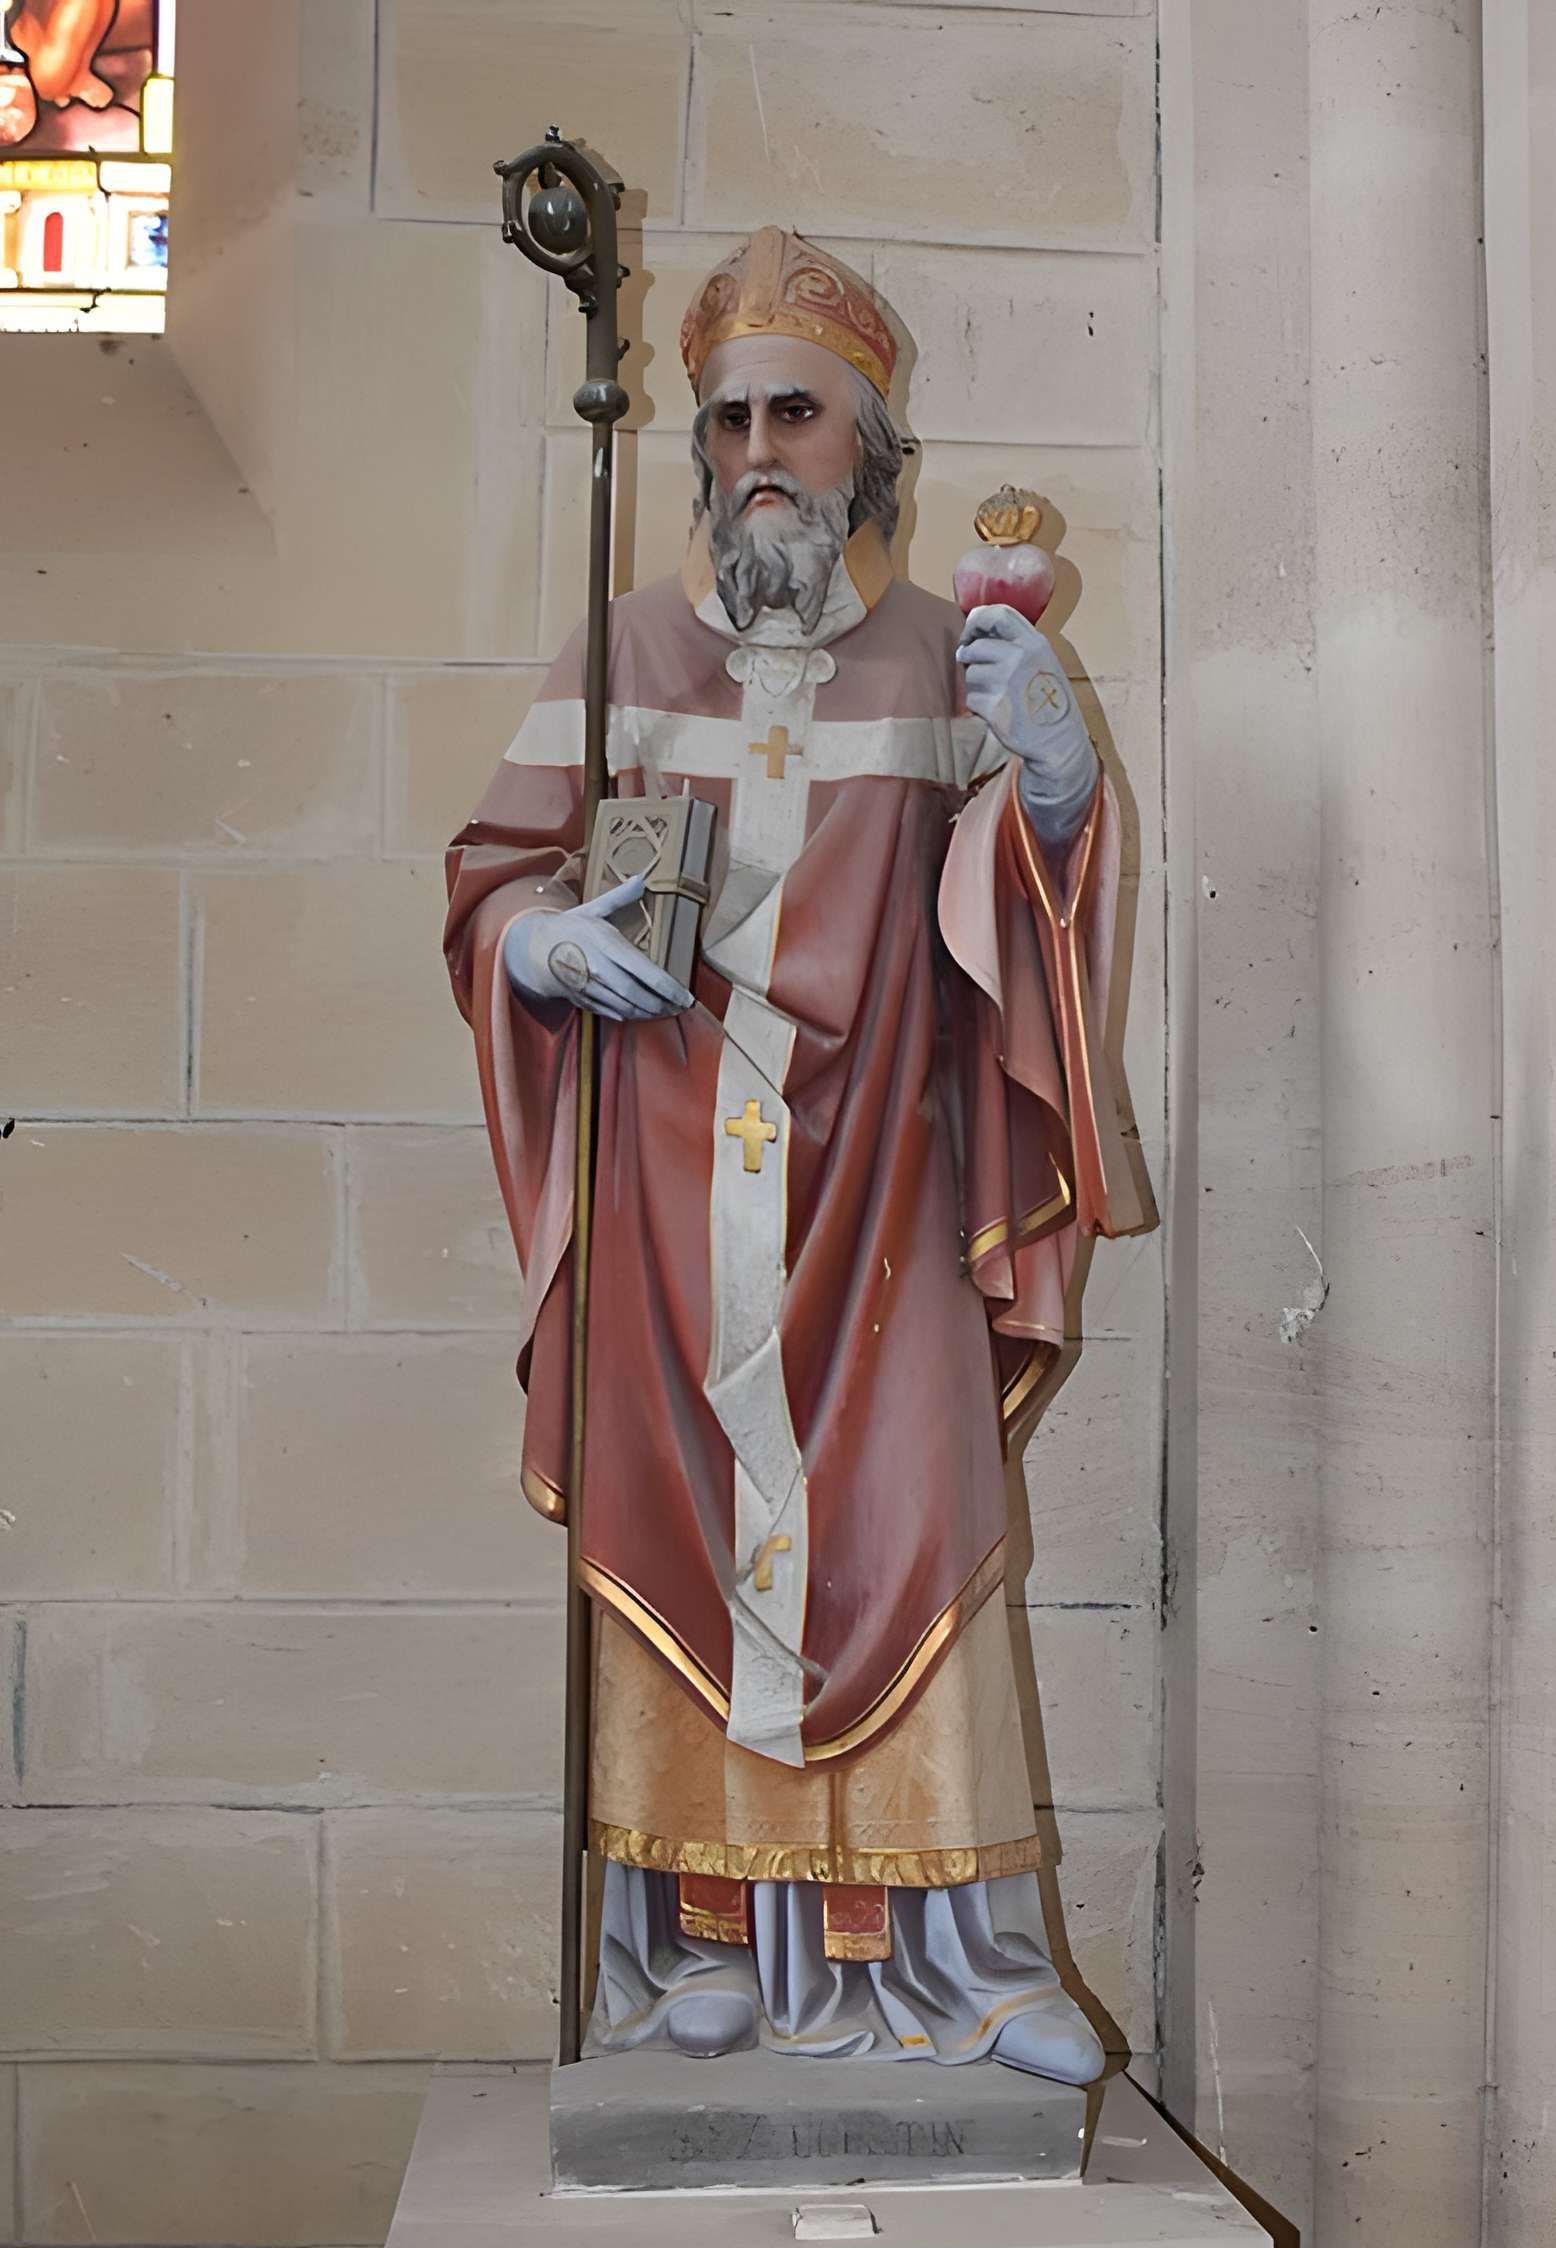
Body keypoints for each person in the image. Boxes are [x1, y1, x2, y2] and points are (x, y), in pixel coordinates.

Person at [445, 228, 1151, 2082]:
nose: (761, 447)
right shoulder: (628, 650)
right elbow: (492, 871)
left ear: (874, 449)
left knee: (918, 1538)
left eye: (801, 416)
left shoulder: (945, 653)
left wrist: (1060, 786)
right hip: (673, 1191)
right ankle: (697, 1937)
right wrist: (536, 941)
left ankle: (970, 1961)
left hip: (883, 1191)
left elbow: (1022, 916)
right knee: (681, 1525)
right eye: (733, 415)